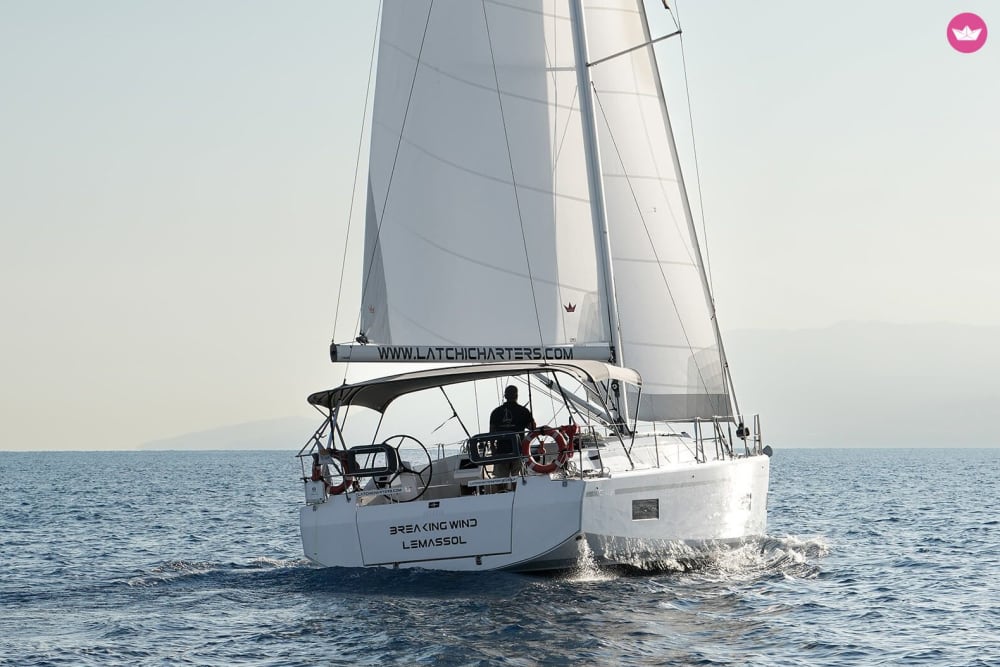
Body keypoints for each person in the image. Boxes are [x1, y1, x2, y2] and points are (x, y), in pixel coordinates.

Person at [487, 385, 535, 481]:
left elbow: (491, 433)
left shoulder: (496, 412)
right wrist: (529, 417)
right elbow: (533, 428)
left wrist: (493, 449)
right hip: (518, 451)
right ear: (516, 396)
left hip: (501, 451)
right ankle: (517, 494)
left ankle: (501, 494)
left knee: (500, 480)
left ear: (505, 396)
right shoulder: (523, 411)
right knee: (517, 479)